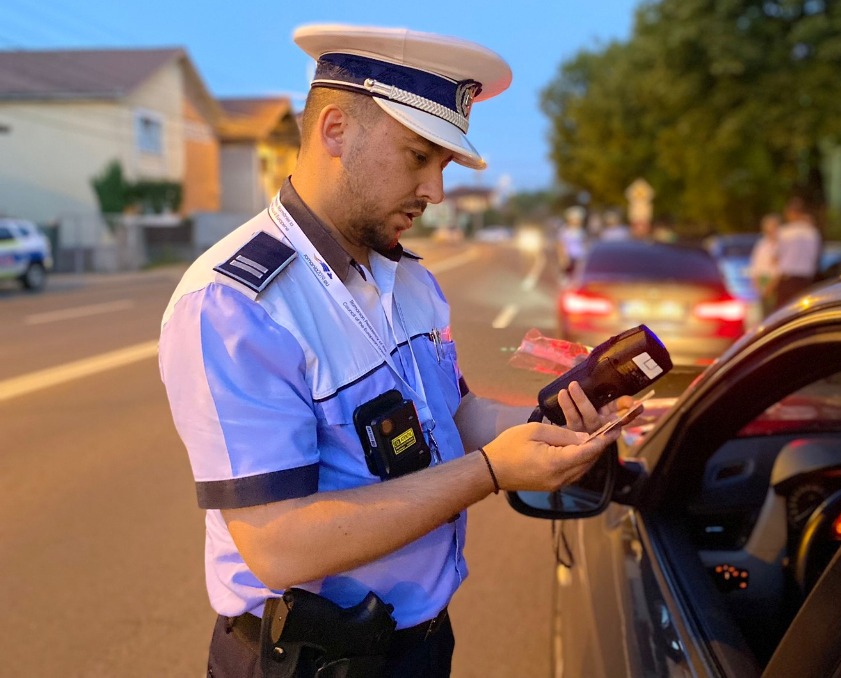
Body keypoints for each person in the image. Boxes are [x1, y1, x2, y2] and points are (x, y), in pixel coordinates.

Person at [158, 24, 628, 678]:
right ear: (333, 130)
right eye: (418, 157)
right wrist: (491, 472)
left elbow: (453, 417)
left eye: (443, 166)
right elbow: (278, 546)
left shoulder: (408, 279)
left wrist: (550, 428)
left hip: (419, 644)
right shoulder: (236, 305)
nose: (437, 192)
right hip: (310, 660)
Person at [771, 196, 822, 310]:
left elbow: (775, 258)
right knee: (801, 312)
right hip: (805, 281)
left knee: (782, 314)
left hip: (787, 280)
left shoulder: (784, 232)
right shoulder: (813, 233)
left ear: (790, 213)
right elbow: (816, 256)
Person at [748, 213, 780, 318]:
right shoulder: (762, 244)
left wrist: (772, 285)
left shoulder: (782, 244)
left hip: (776, 284)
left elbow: (781, 268)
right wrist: (756, 283)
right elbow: (756, 266)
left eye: (774, 226)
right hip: (763, 283)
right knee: (765, 316)